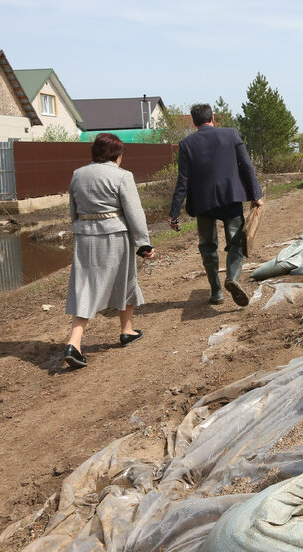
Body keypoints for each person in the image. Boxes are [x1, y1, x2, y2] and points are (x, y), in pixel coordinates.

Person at [63, 132, 155, 370]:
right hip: (114, 236)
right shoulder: (122, 176)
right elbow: (134, 211)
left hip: (84, 236)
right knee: (125, 281)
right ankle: (115, 333)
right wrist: (143, 242)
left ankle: (87, 340)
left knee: (85, 286)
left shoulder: (78, 174)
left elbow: (73, 209)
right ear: (116, 154)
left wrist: (80, 228)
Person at [169, 103, 264, 307]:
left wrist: (174, 213)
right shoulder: (231, 134)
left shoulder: (186, 144)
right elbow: (246, 166)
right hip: (231, 197)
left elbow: (183, 181)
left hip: (203, 203)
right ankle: (232, 278)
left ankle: (216, 293)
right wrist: (256, 194)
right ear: (213, 118)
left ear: (194, 122)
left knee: (207, 247)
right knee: (237, 242)